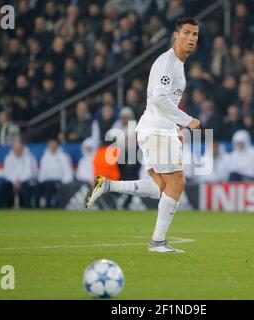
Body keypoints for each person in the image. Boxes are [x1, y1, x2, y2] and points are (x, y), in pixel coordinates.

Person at [84, 18, 201, 253]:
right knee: (177, 183)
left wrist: (174, 128)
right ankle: (158, 242)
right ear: (175, 35)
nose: (191, 38)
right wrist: (187, 121)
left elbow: (160, 101)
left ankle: (108, 186)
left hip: (156, 127)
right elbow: (159, 97)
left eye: (195, 35)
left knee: (161, 187)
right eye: (187, 33)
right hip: (157, 129)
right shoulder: (169, 63)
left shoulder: (176, 63)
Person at [0, 140, 37, 208]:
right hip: (12, 181)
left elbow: (29, 172)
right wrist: (15, 181)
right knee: (4, 187)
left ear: (22, 149)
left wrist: (20, 181)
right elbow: (6, 173)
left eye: (19, 149)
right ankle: (3, 207)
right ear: (13, 149)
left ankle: (28, 207)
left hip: (25, 180)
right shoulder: (8, 158)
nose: (18, 151)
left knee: (26, 187)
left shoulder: (28, 157)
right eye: (16, 149)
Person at [36, 138, 74, 208]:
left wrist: (64, 183)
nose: (52, 146)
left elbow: (67, 171)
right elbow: (42, 172)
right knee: (37, 186)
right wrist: (40, 181)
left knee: (49, 186)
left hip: (58, 181)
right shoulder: (45, 157)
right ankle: (36, 206)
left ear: (57, 145)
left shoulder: (63, 157)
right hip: (47, 181)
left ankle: (49, 206)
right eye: (51, 145)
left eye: (54, 144)